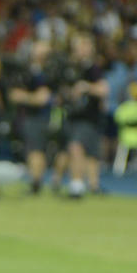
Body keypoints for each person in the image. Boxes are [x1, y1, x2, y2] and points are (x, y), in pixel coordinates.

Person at [61, 32, 109, 198]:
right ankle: (91, 185)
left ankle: (78, 185)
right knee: (84, 150)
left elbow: (103, 89)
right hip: (74, 115)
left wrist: (86, 87)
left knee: (79, 148)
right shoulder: (70, 67)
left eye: (86, 46)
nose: (82, 49)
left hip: (88, 116)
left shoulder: (92, 68)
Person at [7, 40, 54, 195]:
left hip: (39, 116)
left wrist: (24, 97)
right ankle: (36, 182)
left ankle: (35, 183)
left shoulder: (44, 73)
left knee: (35, 149)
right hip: (32, 116)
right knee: (33, 148)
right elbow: (14, 95)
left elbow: (43, 98)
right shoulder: (30, 71)